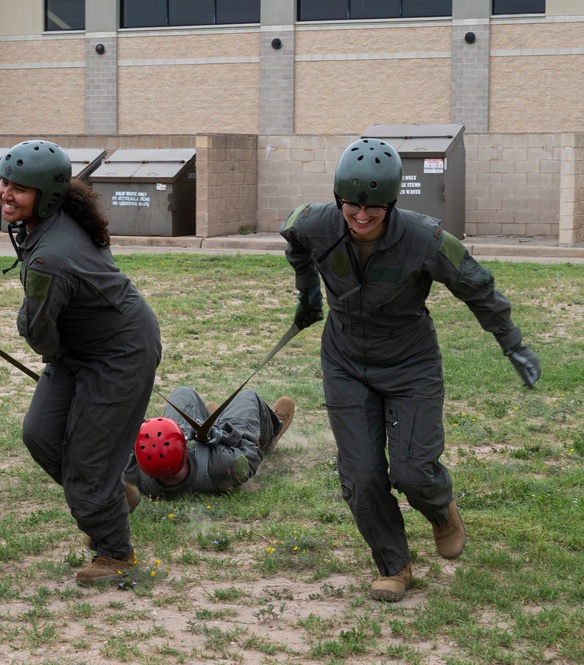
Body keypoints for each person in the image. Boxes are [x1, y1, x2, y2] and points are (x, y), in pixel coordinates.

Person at [279, 138, 542, 602]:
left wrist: (513, 345)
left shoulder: (425, 238)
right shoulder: (316, 222)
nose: (361, 217)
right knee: (361, 475)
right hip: (345, 362)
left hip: (410, 364)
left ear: (392, 201)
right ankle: (393, 564)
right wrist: (307, 293)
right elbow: (292, 235)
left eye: (374, 209)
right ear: (339, 198)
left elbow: (478, 286)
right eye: (352, 206)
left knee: (413, 470)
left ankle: (442, 512)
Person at [0, 140, 162, 586]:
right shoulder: (49, 218)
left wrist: (45, 341)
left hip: (120, 353)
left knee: (88, 465)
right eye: (4, 181)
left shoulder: (52, 255)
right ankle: (114, 494)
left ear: (46, 196)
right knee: (41, 435)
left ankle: (116, 552)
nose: (5, 193)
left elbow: (36, 333)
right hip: (78, 348)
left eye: (19, 188)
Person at [124, 387, 295, 497]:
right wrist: (224, 435)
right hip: (218, 450)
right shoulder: (225, 465)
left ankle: (208, 419)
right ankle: (273, 431)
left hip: (189, 458)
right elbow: (251, 452)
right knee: (248, 397)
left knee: (183, 393)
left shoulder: (130, 473)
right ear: (185, 447)